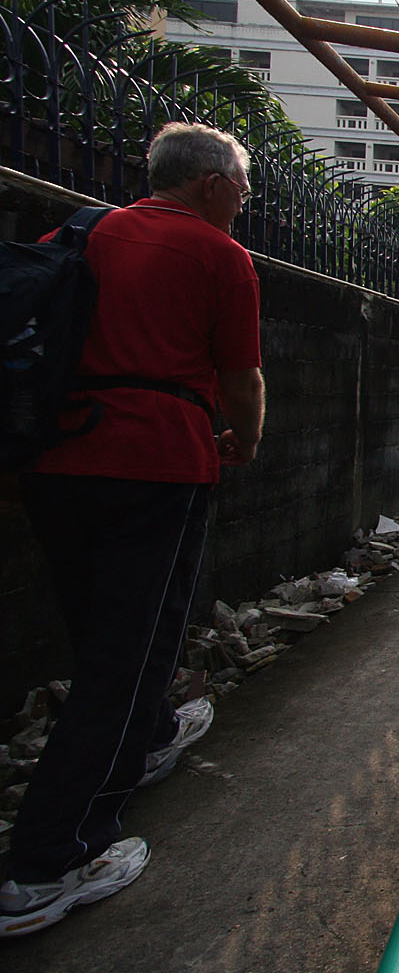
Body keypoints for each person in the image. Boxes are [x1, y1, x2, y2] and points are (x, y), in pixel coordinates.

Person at [0, 123, 265, 938]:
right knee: (131, 648)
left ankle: (147, 736)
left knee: (103, 630)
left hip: (57, 460)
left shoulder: (83, 232)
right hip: (155, 462)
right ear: (212, 183)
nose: (243, 202)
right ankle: (49, 861)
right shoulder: (219, 255)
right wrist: (247, 439)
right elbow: (241, 374)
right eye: (241, 188)